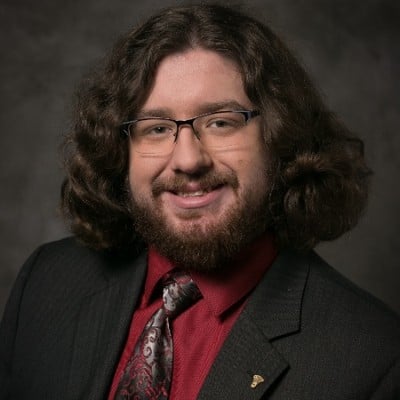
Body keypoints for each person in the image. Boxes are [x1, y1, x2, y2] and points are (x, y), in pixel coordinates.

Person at [0, 3, 399, 399]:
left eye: (221, 122)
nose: (188, 160)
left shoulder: (374, 359)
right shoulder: (46, 284)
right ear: (120, 149)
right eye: (156, 128)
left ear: (281, 136)